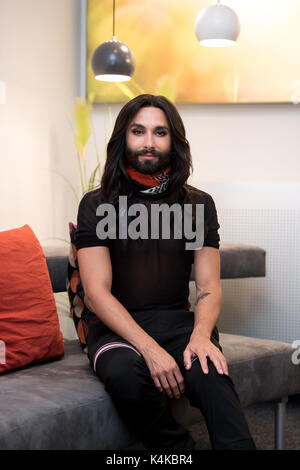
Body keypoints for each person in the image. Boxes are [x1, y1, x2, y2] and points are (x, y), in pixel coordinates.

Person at [75, 94, 256, 450]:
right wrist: (149, 349)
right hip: (117, 331)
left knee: (210, 371)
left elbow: (208, 286)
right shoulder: (97, 204)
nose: (148, 142)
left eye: (160, 133)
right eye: (138, 131)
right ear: (123, 138)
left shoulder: (198, 204)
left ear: (173, 141)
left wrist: (202, 335)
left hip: (179, 323)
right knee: (125, 373)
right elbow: (96, 292)